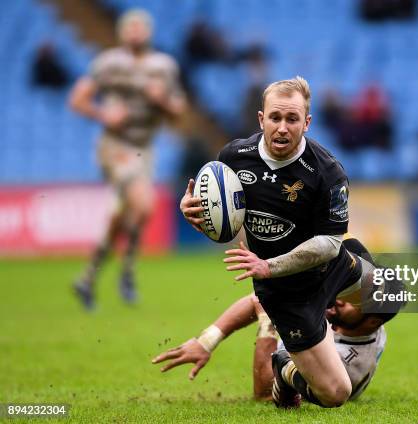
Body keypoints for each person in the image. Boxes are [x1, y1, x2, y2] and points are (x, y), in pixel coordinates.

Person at [180, 76, 368, 408]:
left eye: (292, 119)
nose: (282, 127)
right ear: (261, 119)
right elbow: (216, 216)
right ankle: (284, 369)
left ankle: (363, 340)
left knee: (391, 292)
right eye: (275, 118)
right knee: (336, 393)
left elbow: (329, 243)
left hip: (330, 266)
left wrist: (268, 264)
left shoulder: (327, 172)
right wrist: (193, 212)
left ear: (307, 123)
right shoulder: (234, 158)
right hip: (286, 292)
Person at [152, 237, 398, 404]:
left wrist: (268, 322)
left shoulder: (347, 366)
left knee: (273, 313)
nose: (341, 297)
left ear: (372, 322)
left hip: (305, 371)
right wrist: (207, 341)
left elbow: (265, 393)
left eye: (352, 299)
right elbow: (254, 299)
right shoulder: (348, 310)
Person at [69, 9, 186, 309]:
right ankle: (128, 273)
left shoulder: (163, 66)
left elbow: (178, 113)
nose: (135, 31)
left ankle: (88, 277)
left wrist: (162, 100)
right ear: (122, 32)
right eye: (129, 27)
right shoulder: (109, 63)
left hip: (144, 149)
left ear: (148, 32)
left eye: (140, 27)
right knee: (143, 203)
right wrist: (102, 114)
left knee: (131, 213)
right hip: (115, 145)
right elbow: (78, 99)